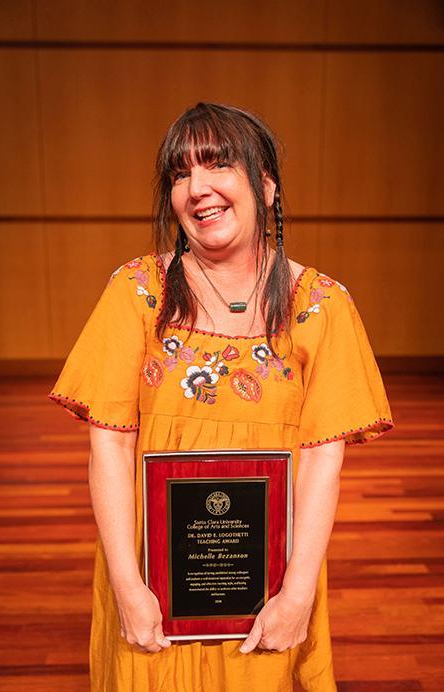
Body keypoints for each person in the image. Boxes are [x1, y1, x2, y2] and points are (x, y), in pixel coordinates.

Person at [48, 102, 394, 691]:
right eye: (180, 174)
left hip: (270, 586)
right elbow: (107, 448)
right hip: (152, 583)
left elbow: (321, 463)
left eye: (216, 165)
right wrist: (129, 589)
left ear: (265, 185)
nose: (196, 189)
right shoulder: (137, 293)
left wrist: (297, 596)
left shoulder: (320, 306)